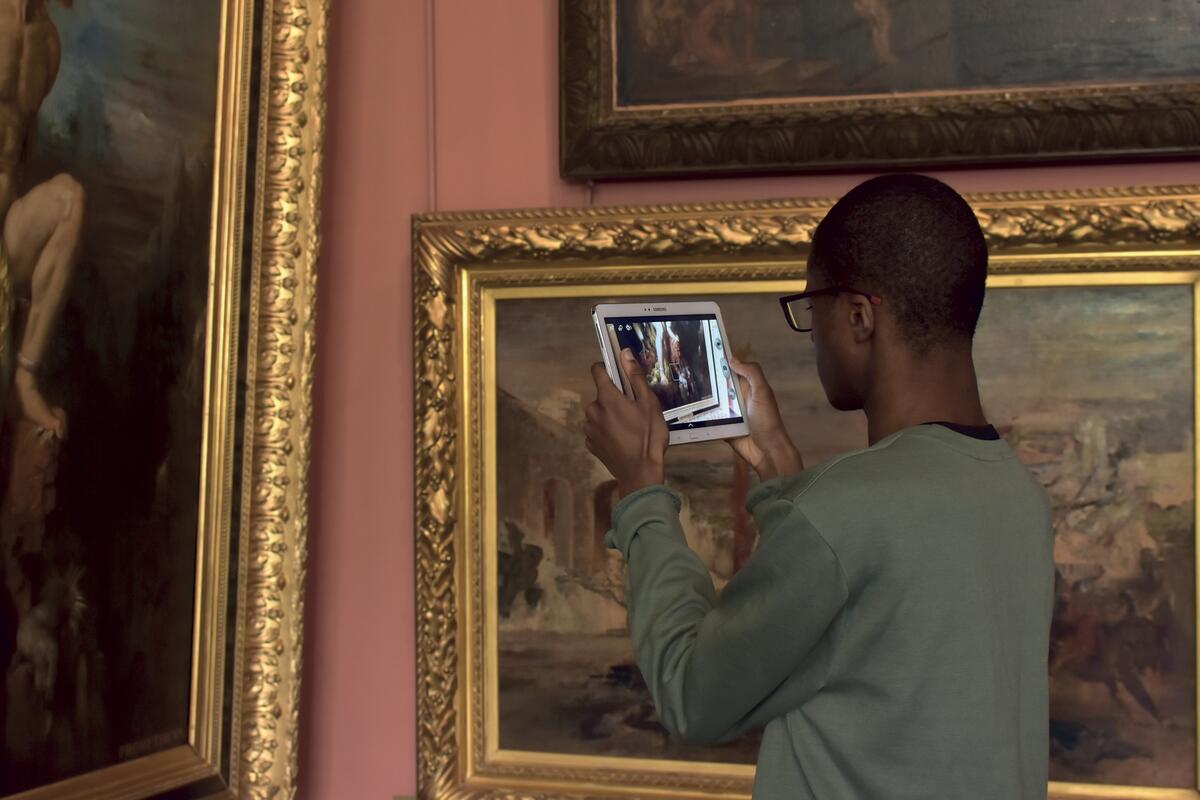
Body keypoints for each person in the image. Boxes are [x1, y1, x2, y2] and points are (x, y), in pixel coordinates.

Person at [583, 174, 1054, 799]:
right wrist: (776, 456)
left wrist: (641, 489)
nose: (814, 336)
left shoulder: (847, 511)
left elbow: (691, 691)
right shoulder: (1015, 493)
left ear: (859, 316)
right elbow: (857, 616)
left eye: (813, 308)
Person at [0, 0, 84, 439]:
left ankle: (24, 379)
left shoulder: (48, 43)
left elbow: (22, 154)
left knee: (70, 202)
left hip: (4, 233)